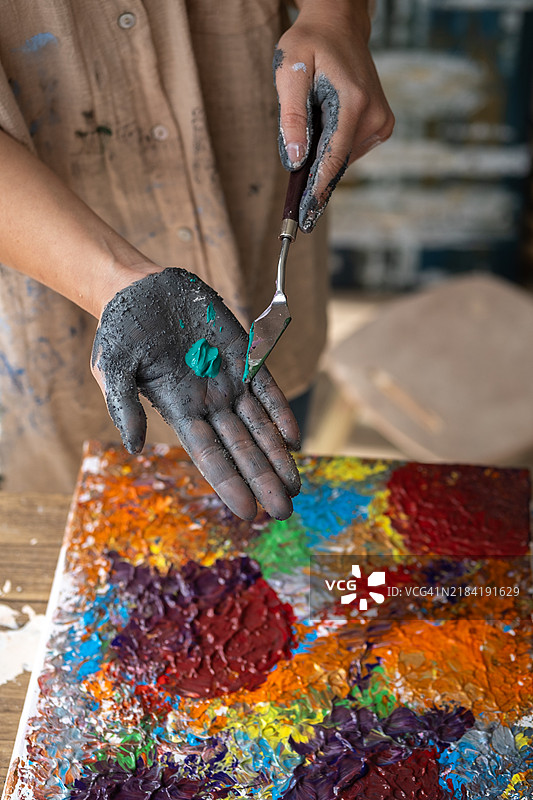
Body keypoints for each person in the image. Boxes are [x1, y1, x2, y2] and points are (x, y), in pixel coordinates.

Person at [0, 0, 393, 520]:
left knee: (275, 500)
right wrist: (112, 283)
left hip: (255, 212)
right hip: (54, 304)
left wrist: (336, 18)